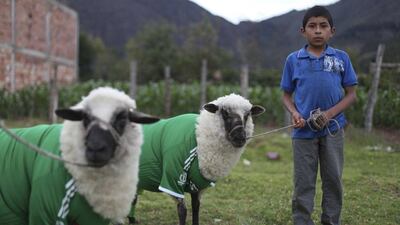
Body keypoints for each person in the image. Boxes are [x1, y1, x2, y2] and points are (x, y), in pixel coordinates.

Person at [280, 5, 358, 225]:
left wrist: (329, 113)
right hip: (303, 132)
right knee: (303, 182)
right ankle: (302, 221)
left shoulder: (341, 58)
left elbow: (351, 95)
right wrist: (295, 113)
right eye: (311, 26)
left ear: (331, 31)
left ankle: (331, 220)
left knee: (333, 180)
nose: (317, 31)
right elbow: (286, 95)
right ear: (302, 31)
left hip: (333, 130)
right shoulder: (293, 60)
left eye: (323, 26)